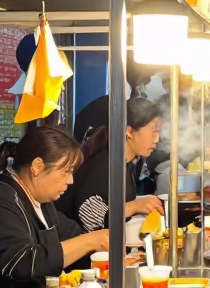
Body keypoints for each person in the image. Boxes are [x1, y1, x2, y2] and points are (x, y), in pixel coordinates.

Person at [0, 127, 109, 288]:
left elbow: (71, 236)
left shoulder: (41, 203)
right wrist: (90, 241)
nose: (71, 180)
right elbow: (23, 263)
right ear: (38, 167)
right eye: (66, 171)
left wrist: (101, 250)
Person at [60, 97, 164, 231]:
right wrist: (134, 206)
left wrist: (144, 201)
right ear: (129, 131)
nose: (157, 139)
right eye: (153, 131)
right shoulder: (103, 163)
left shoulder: (122, 163)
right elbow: (89, 217)